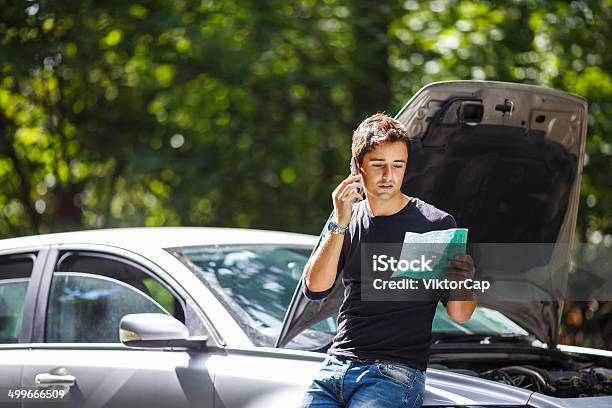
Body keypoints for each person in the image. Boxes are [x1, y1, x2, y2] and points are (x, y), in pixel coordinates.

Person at [300, 113, 477, 408]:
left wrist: (464, 281)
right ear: (359, 167)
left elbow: (460, 314)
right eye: (378, 165)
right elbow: (315, 288)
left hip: (395, 373)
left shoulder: (435, 223)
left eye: (398, 165)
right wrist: (339, 220)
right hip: (335, 366)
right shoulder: (346, 218)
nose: (388, 176)